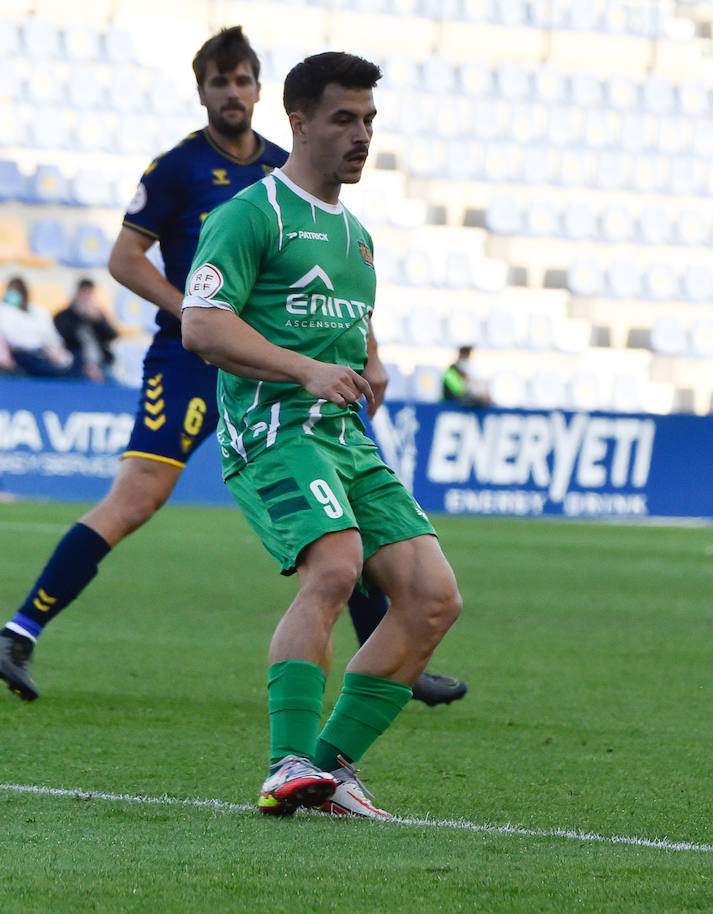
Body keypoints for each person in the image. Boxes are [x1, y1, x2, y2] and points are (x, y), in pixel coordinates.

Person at [0, 27, 466, 708]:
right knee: (137, 499)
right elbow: (125, 259)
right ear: (202, 93)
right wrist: (188, 309)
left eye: (242, 80)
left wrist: (370, 352)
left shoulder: (290, 165)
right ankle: (21, 629)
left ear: (258, 89)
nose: (232, 93)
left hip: (289, 370)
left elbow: (337, 275)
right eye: (219, 83)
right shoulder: (176, 169)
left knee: (349, 505)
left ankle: (392, 656)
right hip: (197, 359)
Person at [180, 51, 463, 818]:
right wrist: (304, 369)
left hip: (346, 438)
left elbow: (353, 319)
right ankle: (286, 763)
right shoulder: (251, 214)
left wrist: (372, 363)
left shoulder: (359, 238)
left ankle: (330, 772)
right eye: (344, 118)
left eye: (369, 119)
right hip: (271, 430)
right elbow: (201, 324)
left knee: (432, 597)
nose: (361, 134)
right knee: (335, 567)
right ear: (298, 121)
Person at [0, 276, 72, 377]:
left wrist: (54, 347)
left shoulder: (38, 311)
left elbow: (51, 334)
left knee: (72, 363)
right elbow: (11, 338)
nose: (14, 294)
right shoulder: (4, 310)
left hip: (45, 352)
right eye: (11, 290)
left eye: (17, 290)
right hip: (22, 354)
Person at [53, 278, 119, 382]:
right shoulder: (64, 316)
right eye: (85, 293)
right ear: (78, 293)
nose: (87, 297)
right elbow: (66, 337)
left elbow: (112, 335)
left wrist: (98, 321)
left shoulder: (97, 315)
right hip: (77, 366)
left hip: (102, 365)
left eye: (90, 294)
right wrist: (78, 315)